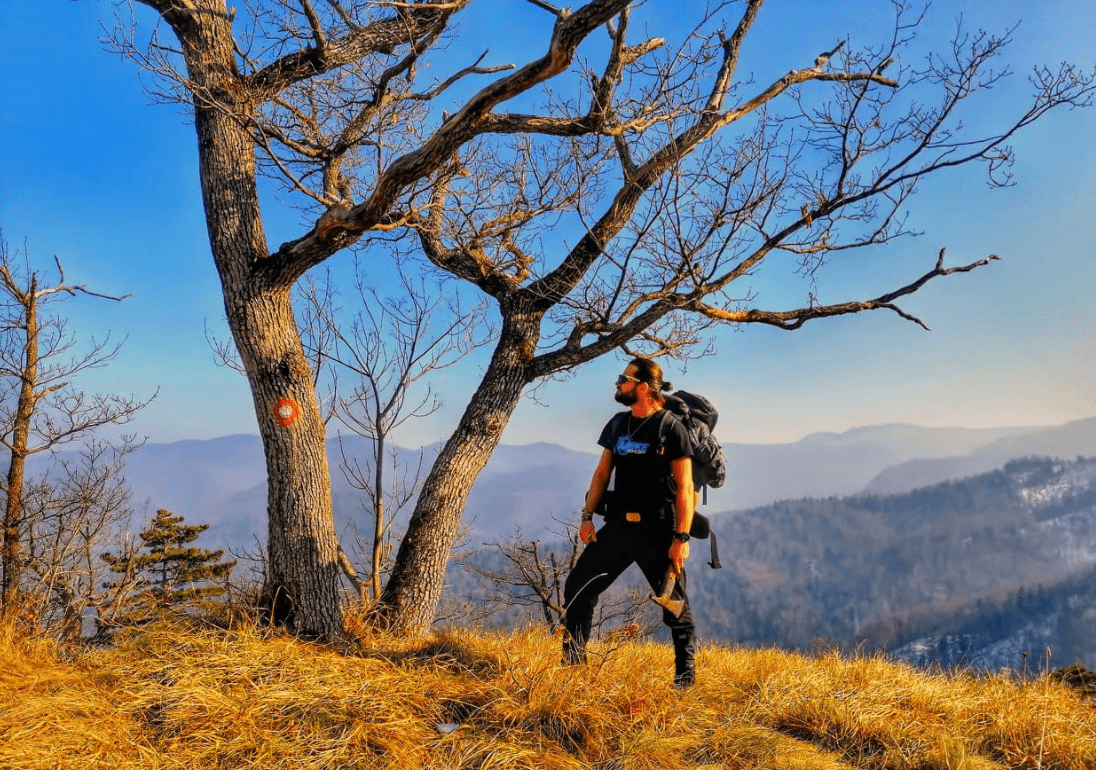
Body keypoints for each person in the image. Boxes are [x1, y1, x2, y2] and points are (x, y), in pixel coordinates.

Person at [561, 356, 698, 687]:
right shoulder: (617, 424)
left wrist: (681, 538)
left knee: (673, 604)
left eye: (623, 379)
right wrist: (587, 517)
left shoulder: (670, 428)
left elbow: (686, 487)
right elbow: (602, 473)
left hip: (659, 532)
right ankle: (573, 671)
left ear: (643, 387)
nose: (617, 383)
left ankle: (685, 678)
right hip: (620, 527)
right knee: (577, 588)